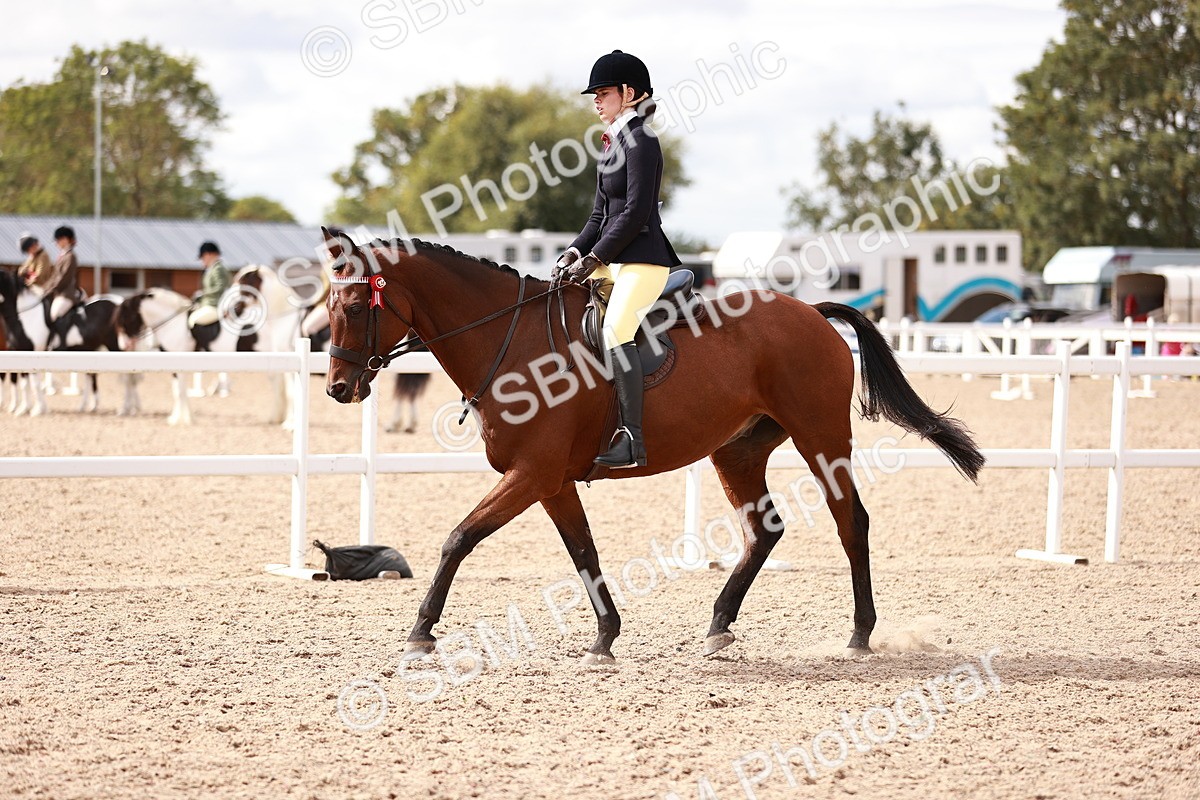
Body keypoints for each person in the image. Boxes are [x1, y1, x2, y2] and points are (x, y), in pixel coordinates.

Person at [553, 50, 681, 469]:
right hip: (613, 259)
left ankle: (632, 440)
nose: (596, 100)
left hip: (643, 259)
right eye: (595, 94)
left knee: (615, 330)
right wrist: (574, 252)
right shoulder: (610, 145)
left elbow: (636, 212)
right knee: (556, 300)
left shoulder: (642, 140)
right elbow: (599, 215)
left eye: (603, 93)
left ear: (629, 93)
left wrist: (596, 256)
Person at [189, 241, 230, 329]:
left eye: (203, 257)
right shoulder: (211, 269)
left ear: (208, 254)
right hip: (207, 304)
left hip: (215, 305)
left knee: (193, 320)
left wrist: (203, 293)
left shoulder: (218, 269)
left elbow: (220, 287)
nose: (202, 261)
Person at [46, 226, 83, 321]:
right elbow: (54, 277)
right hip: (58, 295)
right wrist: (44, 289)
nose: (56, 243)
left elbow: (64, 278)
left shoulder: (70, 257)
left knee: (54, 316)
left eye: (57, 240)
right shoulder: (63, 256)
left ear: (65, 239)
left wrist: (51, 290)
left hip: (66, 295)